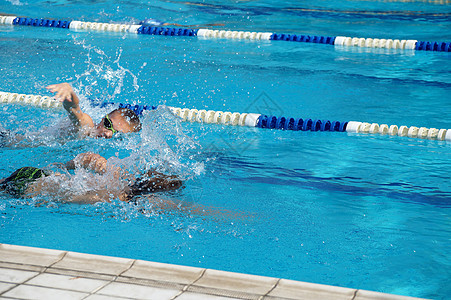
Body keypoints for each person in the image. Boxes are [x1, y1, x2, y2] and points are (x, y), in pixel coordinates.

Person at [0, 152, 243, 219]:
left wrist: (68, 165)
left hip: (34, 174)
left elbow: (86, 157)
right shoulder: (113, 196)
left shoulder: (114, 179)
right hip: (28, 185)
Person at [46, 83, 142, 139]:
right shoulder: (88, 126)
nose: (108, 134)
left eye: (117, 134)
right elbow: (74, 108)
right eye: (108, 124)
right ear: (104, 118)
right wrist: (69, 92)